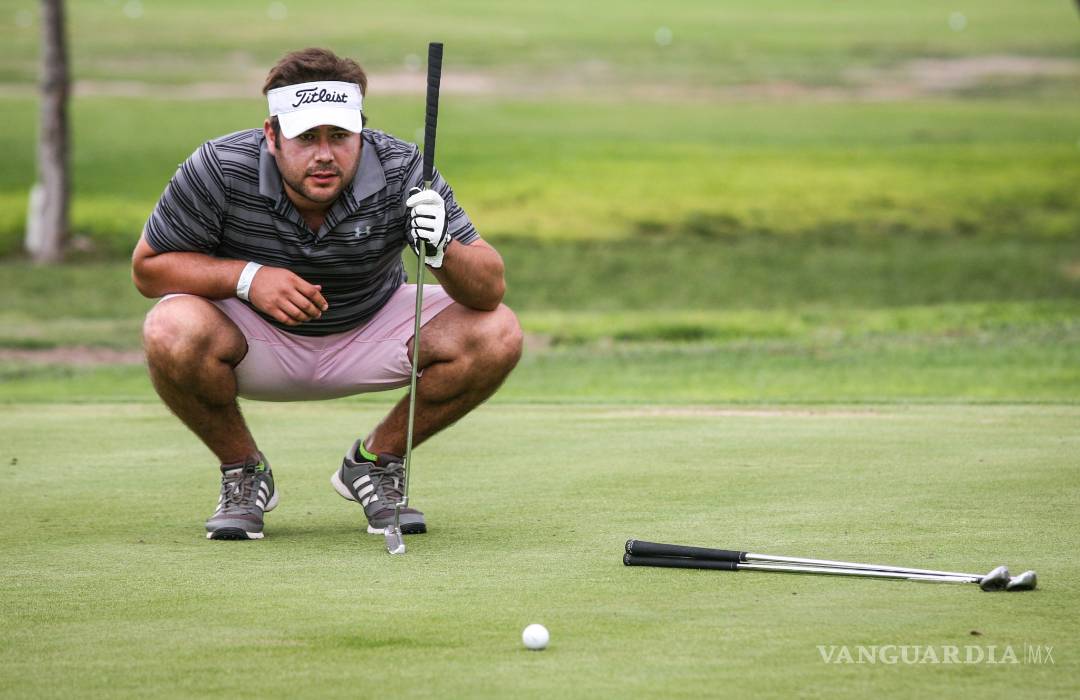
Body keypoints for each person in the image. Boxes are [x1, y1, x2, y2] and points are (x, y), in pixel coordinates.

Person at [131, 47, 522, 541]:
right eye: (306, 137)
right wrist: (249, 278)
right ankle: (242, 471)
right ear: (272, 135)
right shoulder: (219, 166)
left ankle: (374, 463)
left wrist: (442, 247)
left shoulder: (403, 169)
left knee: (498, 331)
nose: (324, 154)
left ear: (360, 130)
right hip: (253, 338)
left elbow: (489, 290)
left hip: (371, 331)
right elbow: (148, 269)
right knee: (170, 328)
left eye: (339, 136)